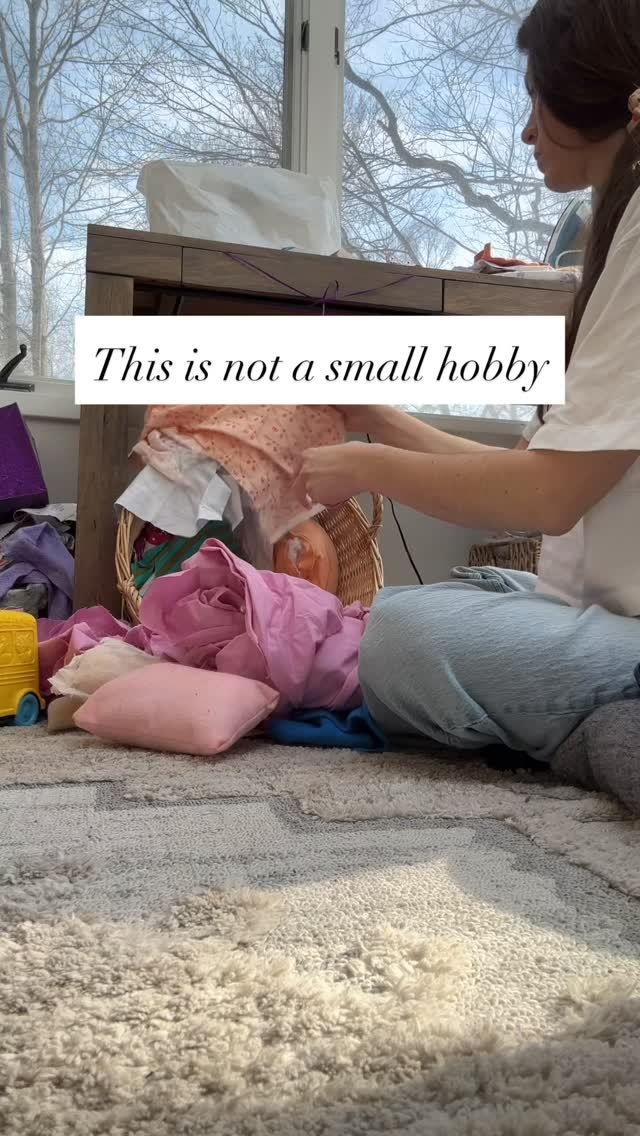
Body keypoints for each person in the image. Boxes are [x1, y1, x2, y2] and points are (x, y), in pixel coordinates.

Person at [294, 0, 640, 761]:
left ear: (589, 92)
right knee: (412, 606)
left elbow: (546, 499)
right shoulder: (616, 233)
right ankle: (588, 727)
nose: (526, 133)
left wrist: (365, 467)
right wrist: (379, 419)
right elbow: (528, 474)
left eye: (536, 99)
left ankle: (604, 732)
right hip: (593, 606)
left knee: (402, 638)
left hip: (627, 633)